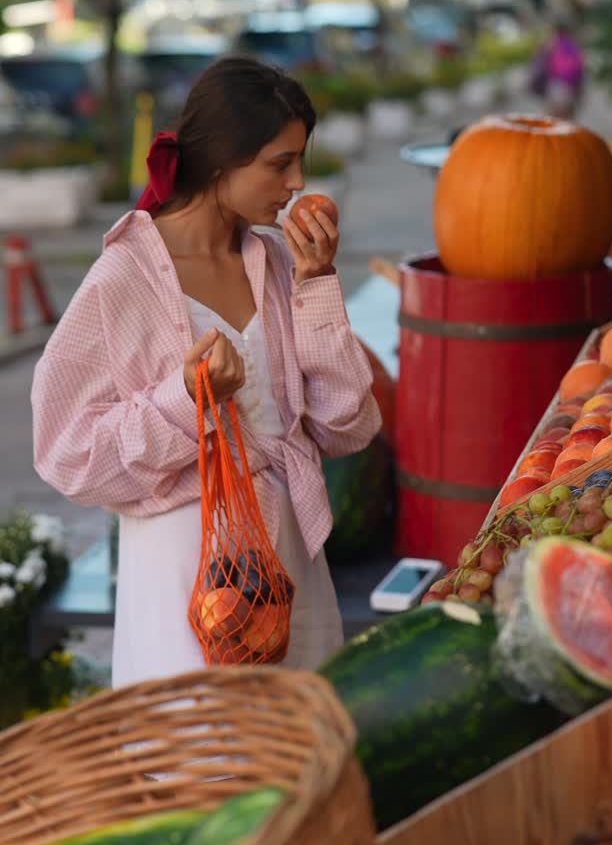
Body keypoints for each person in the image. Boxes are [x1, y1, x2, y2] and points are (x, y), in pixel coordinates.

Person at [32, 56, 381, 687]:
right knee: (204, 764)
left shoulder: (277, 263)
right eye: (280, 163)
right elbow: (66, 453)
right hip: (186, 577)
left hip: (291, 566)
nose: (297, 182)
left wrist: (318, 285)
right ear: (221, 160)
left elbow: (346, 426)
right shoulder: (121, 282)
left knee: (297, 757)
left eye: (300, 160)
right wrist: (180, 401)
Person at [542, 22, 585, 119]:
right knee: (568, 114)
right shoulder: (573, 44)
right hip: (570, 84)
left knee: (554, 115)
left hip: (557, 83)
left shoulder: (552, 43)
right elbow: (580, 66)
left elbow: (544, 64)